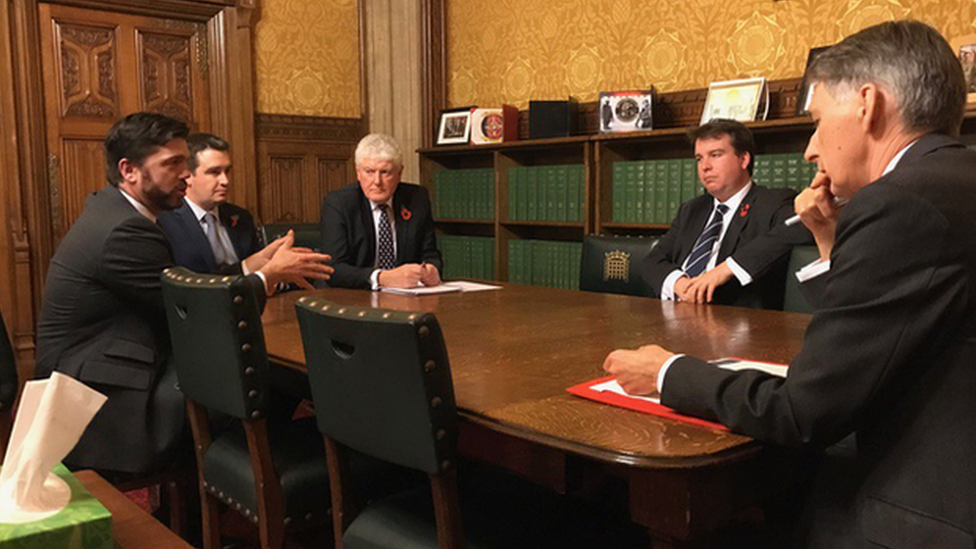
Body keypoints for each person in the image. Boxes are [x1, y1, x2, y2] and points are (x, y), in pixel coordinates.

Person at [605, 20, 976, 547]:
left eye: (818, 121)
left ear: (867, 104)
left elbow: (803, 412)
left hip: (922, 504)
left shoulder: (900, 201)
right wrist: (829, 238)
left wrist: (667, 373)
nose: (809, 150)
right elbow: (888, 324)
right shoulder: (953, 181)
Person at [35, 112, 333, 475]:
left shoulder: (114, 211)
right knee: (268, 378)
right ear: (129, 170)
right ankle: (251, 486)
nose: (186, 175)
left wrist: (250, 266)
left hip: (114, 369)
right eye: (173, 163)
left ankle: (236, 487)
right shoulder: (124, 231)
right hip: (104, 401)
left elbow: (183, 287)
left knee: (262, 375)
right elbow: (192, 310)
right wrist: (266, 277)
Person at [642, 119, 812, 309]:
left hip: (734, 321)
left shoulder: (772, 202)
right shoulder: (692, 209)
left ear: (743, 159)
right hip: (677, 313)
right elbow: (653, 259)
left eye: (715, 155)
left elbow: (802, 227)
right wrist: (678, 283)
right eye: (699, 158)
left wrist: (725, 269)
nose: (705, 166)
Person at [320, 133, 443, 289]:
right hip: (353, 298)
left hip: (407, 297)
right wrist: (382, 278)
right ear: (358, 173)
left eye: (385, 172)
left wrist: (431, 268)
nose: (377, 182)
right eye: (369, 172)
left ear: (399, 174)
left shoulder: (417, 199)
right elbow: (333, 269)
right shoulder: (339, 203)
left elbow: (430, 253)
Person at [157, 133, 261, 274]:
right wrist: (245, 268)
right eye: (214, 172)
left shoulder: (241, 217)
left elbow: (261, 270)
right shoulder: (164, 222)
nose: (225, 181)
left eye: (227, 171)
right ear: (187, 176)